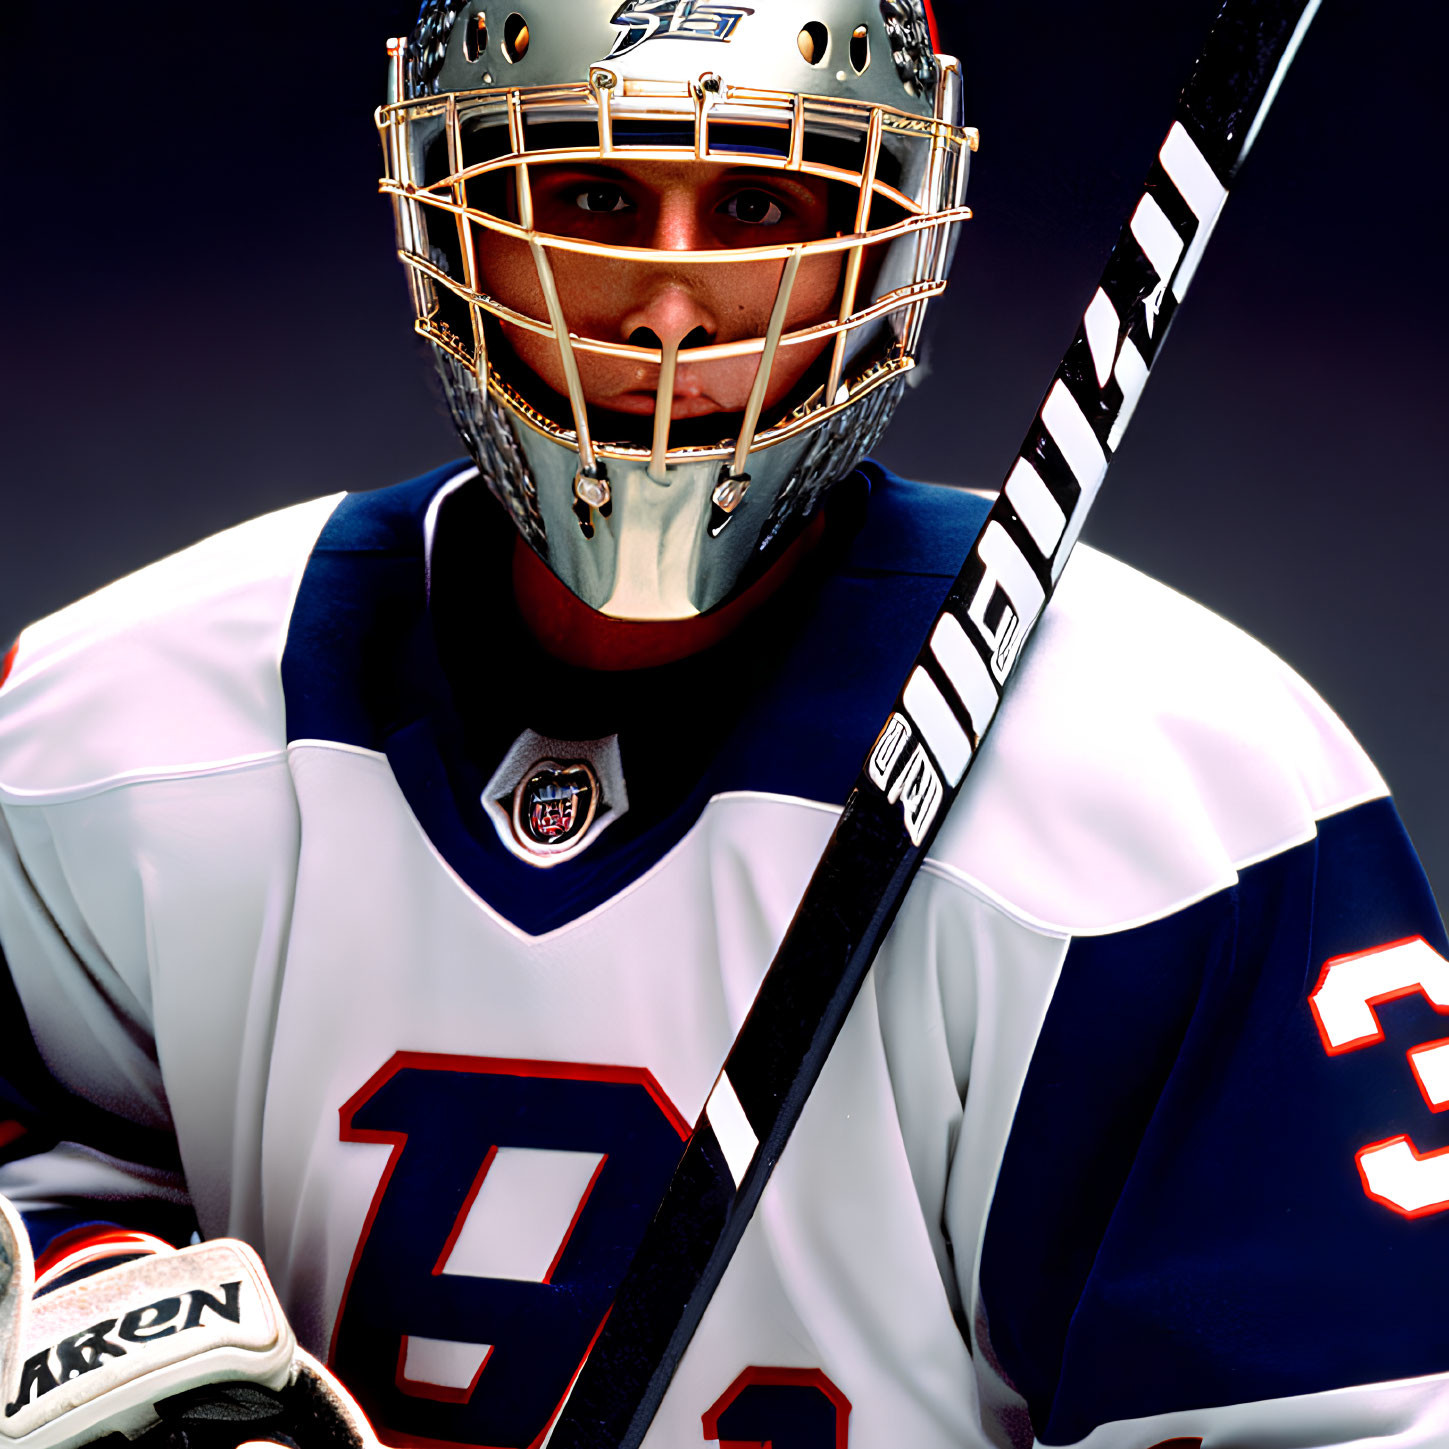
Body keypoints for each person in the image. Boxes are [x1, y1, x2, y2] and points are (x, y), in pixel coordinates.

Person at [1, 2, 1446, 1447]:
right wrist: (124, 1343)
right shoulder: (110, 730)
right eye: (587, 192)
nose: (670, 304)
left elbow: (1342, 1415)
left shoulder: (1165, 809)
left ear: (885, 242)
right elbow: (40, 1170)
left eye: (754, 200)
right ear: (450, 221)